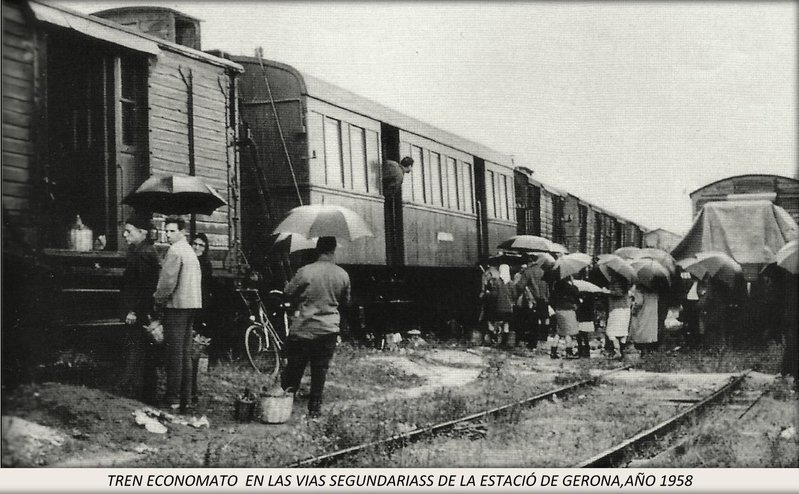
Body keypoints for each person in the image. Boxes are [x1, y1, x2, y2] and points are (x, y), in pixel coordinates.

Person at [281, 236, 351, 418]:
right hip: (328, 330)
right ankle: (314, 409)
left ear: (317, 249)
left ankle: (283, 404)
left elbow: (287, 293)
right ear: (333, 250)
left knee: (295, 368)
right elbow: (346, 301)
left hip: (304, 328)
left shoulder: (305, 271)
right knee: (320, 370)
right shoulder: (343, 274)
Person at [153, 216, 202, 411]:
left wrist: (157, 300)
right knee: (185, 353)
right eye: (167, 231)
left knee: (174, 353)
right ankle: (186, 398)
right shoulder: (189, 250)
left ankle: (172, 398)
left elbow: (167, 282)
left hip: (176, 307)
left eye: (172, 231)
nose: (168, 234)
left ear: (182, 232)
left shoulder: (174, 250)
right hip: (191, 305)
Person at [116, 214, 161, 403]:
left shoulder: (144, 253)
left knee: (138, 350)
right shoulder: (140, 250)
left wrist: (133, 310)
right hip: (141, 309)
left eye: (129, 231)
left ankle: (137, 392)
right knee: (140, 350)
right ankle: (142, 392)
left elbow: (145, 287)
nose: (125, 235)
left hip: (140, 311)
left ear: (142, 232)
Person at [514, 255, 551, 349]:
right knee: (541, 319)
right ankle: (539, 339)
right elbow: (547, 287)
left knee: (531, 321)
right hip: (543, 299)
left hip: (532, 300)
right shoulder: (544, 272)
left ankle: (530, 342)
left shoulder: (528, 271)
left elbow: (520, 286)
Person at [481, 264, 515, 346]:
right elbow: (515, 294)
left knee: (489, 320)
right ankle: (505, 342)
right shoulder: (511, 283)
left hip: (499, 307)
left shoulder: (497, 282)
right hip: (509, 308)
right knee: (506, 324)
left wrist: (488, 293)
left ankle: (493, 335)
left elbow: (494, 295)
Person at [549, 278, 580, 358]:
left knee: (559, 332)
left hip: (558, 310)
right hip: (568, 311)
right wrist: (573, 283)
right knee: (568, 333)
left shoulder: (555, 286)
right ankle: (569, 352)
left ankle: (553, 351)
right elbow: (576, 293)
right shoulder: (568, 287)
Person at [605, 271, 631, 359]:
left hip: (617, 308)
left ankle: (617, 351)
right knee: (623, 331)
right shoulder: (626, 281)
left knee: (611, 331)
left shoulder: (616, 280)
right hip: (626, 308)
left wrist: (607, 291)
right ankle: (622, 351)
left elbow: (618, 293)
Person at [629, 283, 659, 354]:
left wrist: (633, 310)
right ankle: (650, 348)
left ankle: (642, 350)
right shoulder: (655, 288)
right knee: (650, 329)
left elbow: (639, 302)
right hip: (652, 311)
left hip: (643, 311)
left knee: (641, 329)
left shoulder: (639, 289)